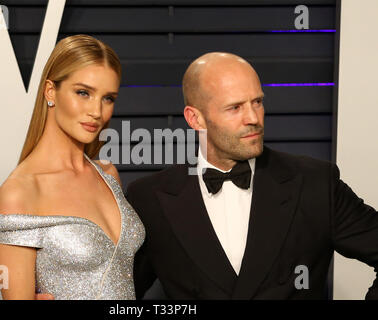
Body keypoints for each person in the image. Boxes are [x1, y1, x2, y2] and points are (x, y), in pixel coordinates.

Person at [126, 52, 378, 299]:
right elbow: (120, 294)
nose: (254, 118)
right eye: (234, 107)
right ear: (195, 119)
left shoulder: (315, 183)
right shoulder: (149, 199)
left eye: (257, 102)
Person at [0, 35, 145, 300]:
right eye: (83, 93)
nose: (97, 111)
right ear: (50, 91)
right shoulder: (20, 192)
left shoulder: (107, 174)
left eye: (108, 98)